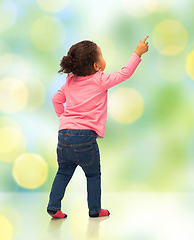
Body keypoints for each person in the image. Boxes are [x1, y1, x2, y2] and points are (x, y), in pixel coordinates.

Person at [47, 36, 149, 218]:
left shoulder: (70, 80)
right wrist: (137, 53)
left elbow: (56, 99)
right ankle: (95, 209)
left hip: (63, 135)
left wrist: (62, 117)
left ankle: (53, 207)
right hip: (85, 138)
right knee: (93, 175)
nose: (103, 58)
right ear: (96, 66)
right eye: (101, 55)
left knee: (63, 172)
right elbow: (125, 73)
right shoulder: (99, 80)